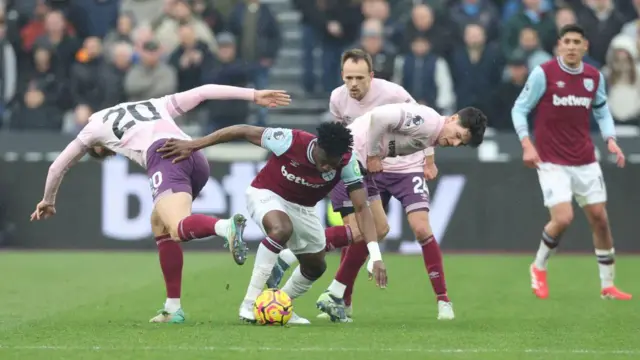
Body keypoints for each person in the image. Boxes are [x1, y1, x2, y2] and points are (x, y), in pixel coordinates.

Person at [29, 84, 293, 324]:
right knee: (160, 223)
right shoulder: (153, 104)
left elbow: (57, 166)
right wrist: (254, 95)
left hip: (165, 156)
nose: (108, 151)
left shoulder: (92, 130)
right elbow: (204, 91)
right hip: (194, 153)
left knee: (177, 227)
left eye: (103, 151)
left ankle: (225, 228)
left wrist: (48, 200)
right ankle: (172, 307)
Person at [267, 48, 455, 322]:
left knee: (402, 228)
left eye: (359, 78)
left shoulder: (393, 92)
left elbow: (426, 122)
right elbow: (339, 136)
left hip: (403, 165)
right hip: (361, 169)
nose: (353, 84)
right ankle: (339, 298)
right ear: (342, 76)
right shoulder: (337, 98)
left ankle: (442, 301)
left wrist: (428, 159)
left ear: (372, 76)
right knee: (359, 232)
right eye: (348, 78)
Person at [157, 122, 385, 324]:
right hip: (267, 193)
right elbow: (242, 130)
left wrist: (376, 256)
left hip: (304, 208)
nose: (327, 168)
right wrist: (195, 145)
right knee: (281, 229)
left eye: (332, 166)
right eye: (324, 162)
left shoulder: (347, 162)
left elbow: (362, 208)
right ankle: (250, 303)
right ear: (317, 146)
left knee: (316, 266)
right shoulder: (290, 140)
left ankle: (279, 304)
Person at [511, 24, 631, 301]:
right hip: (552, 160)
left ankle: (608, 286)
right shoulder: (545, 73)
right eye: (567, 41)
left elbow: (601, 110)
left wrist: (610, 138)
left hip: (585, 159)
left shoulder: (593, 76)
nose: (572, 46)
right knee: (563, 218)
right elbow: (520, 108)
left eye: (578, 41)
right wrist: (526, 144)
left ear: (585, 46)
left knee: (600, 219)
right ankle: (538, 266)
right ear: (559, 45)